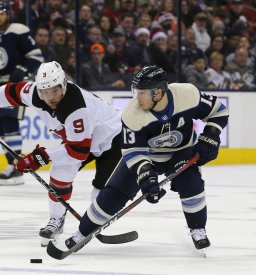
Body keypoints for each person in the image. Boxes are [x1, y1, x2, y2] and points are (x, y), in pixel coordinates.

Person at [0, 61, 123, 247]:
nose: (50, 97)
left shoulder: (76, 108)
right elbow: (10, 92)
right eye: (45, 91)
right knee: (60, 172)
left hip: (113, 138)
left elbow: (78, 151)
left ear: (63, 85)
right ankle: (56, 221)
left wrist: (39, 157)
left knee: (100, 192)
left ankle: (95, 222)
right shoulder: (35, 93)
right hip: (84, 141)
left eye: (54, 90)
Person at [62, 66, 228, 253]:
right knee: (113, 193)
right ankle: (81, 233)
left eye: (142, 93)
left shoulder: (187, 94)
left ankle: (198, 229)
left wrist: (211, 136)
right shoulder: (131, 115)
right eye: (136, 91)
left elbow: (219, 111)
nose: (137, 97)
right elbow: (133, 151)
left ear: (158, 92)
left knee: (191, 183)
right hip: (148, 155)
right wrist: (145, 174)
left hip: (181, 152)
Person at [0, 0, 44, 186]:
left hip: (16, 87)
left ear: (9, 14)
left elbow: (36, 56)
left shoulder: (19, 30)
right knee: (1, 126)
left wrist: (21, 69)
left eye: (2, 12)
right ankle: (11, 164)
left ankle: (17, 168)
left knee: (9, 123)